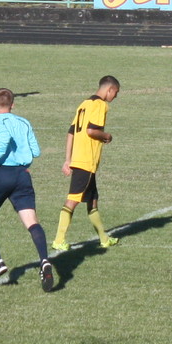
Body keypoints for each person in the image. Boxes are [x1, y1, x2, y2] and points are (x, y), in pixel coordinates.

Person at [0, 88, 56, 291]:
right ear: (13, 104)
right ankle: (45, 260)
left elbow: (3, 139)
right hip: (22, 176)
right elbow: (35, 150)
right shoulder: (24, 122)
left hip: (2, 174)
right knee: (31, 222)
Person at [53, 76, 123, 253]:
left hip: (80, 159)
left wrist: (68, 159)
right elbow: (92, 131)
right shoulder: (100, 105)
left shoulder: (83, 104)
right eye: (116, 93)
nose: (115, 96)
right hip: (86, 161)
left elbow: (71, 133)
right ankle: (58, 240)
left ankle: (104, 239)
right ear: (109, 90)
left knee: (92, 200)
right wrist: (107, 136)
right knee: (72, 200)